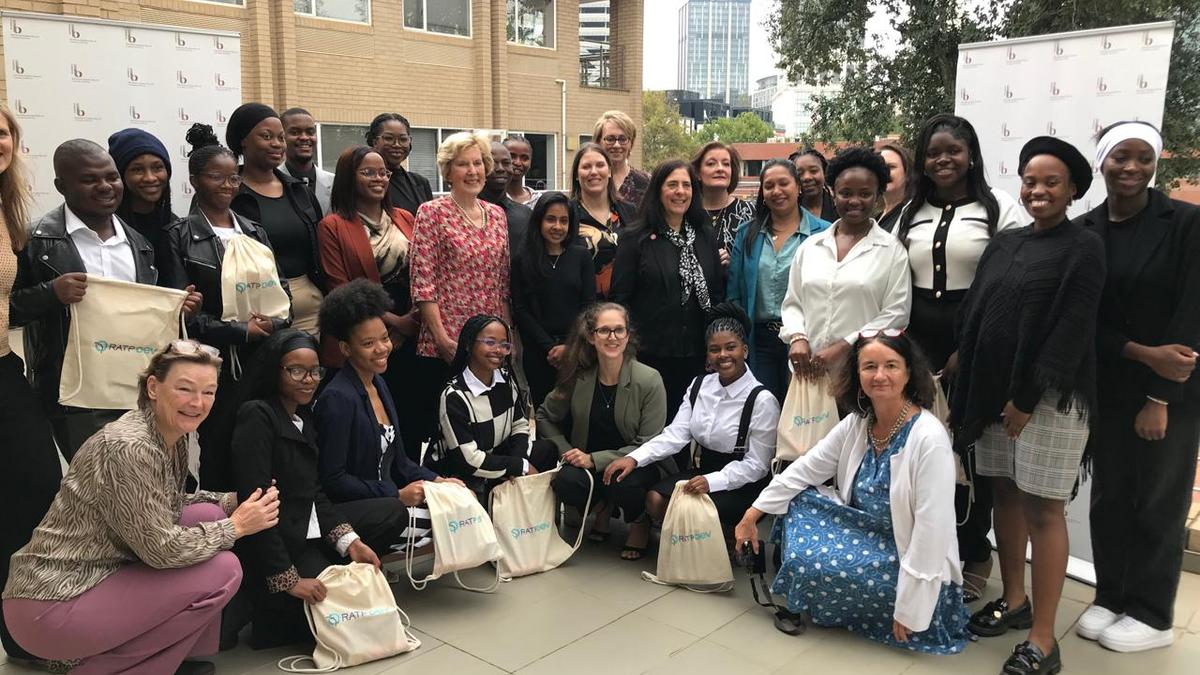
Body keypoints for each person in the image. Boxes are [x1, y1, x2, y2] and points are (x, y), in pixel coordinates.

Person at [1, 341, 280, 675]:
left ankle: (157, 659)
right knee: (225, 570)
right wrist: (237, 526)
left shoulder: (167, 432)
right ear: (153, 387)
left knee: (210, 515)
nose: (198, 403)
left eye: (208, 392)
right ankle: (106, 668)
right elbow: (160, 549)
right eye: (184, 389)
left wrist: (231, 502)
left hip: (92, 577)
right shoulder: (130, 447)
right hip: (51, 604)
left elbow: (164, 503)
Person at [951, 136, 1105, 675]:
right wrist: (964, 364)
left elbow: (1070, 332)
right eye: (1030, 181)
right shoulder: (1006, 242)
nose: (1038, 190)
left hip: (1049, 401)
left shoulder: (1084, 247)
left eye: (1051, 182)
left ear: (1073, 189)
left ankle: (1044, 638)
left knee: (1044, 509)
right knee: (1005, 495)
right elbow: (979, 313)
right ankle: (1014, 601)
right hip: (995, 397)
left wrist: (1024, 400)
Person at [733, 332, 970, 653]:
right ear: (857, 375)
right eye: (869, 366)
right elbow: (804, 469)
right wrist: (751, 515)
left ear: (909, 373)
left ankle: (885, 607)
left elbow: (932, 531)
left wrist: (911, 606)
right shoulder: (859, 424)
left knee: (814, 565)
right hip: (863, 533)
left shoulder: (929, 437)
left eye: (891, 366)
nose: (880, 375)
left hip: (907, 555)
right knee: (798, 500)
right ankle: (839, 594)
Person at [1077, 121, 1200, 653]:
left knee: (1157, 500)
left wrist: (1159, 396)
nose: (1131, 168)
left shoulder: (1186, 224)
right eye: (1120, 157)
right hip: (1109, 384)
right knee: (1110, 496)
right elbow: (1086, 319)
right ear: (1102, 162)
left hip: (1170, 393)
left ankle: (1152, 613)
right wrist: (1140, 352)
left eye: (1143, 158)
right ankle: (1111, 596)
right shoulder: (1085, 230)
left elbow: (1192, 313)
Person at [894, 114, 1023, 599]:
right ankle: (926, 550)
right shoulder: (909, 212)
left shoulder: (998, 208)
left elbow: (1011, 285)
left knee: (970, 454)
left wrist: (968, 349)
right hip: (917, 345)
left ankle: (974, 551)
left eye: (953, 150)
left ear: (971, 155)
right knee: (921, 450)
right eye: (933, 152)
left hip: (978, 342)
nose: (943, 159)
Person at [11, 139, 196, 460]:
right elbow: (7, 312)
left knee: (148, 477)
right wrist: (50, 294)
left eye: (111, 177)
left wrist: (180, 311)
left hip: (137, 388)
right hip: (76, 395)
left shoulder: (140, 244)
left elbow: (144, 319)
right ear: (61, 186)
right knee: (97, 481)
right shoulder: (34, 241)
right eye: (89, 179)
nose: (105, 186)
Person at [230, 329, 381, 649]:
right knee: (341, 623)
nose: (308, 380)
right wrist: (288, 579)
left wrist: (350, 542)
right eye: (296, 370)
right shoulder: (258, 415)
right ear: (275, 370)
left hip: (303, 537)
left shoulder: (303, 418)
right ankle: (271, 611)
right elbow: (256, 506)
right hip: (272, 550)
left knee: (362, 613)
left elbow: (314, 492)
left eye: (314, 371)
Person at [161, 123, 290, 492]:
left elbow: (282, 294)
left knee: (263, 444)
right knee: (219, 445)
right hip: (214, 363)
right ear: (194, 180)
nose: (227, 185)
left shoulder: (254, 231)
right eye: (216, 177)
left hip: (262, 356)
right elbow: (181, 313)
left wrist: (274, 324)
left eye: (233, 178)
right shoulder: (178, 236)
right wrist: (238, 331)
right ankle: (220, 517)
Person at [605, 303, 779, 548]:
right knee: (655, 500)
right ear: (707, 354)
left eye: (731, 347)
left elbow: (758, 466)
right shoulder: (699, 385)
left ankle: (725, 536)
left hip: (743, 482)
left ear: (745, 350)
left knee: (691, 510)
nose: (723, 355)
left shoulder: (762, 400)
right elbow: (676, 434)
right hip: (702, 470)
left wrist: (712, 481)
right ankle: (707, 542)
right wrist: (634, 458)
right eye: (714, 349)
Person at [314, 280, 459, 553]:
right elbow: (333, 480)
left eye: (384, 338)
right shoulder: (337, 399)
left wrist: (439, 482)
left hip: (389, 502)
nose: (382, 348)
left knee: (460, 504)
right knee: (447, 525)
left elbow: (401, 462)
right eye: (368, 343)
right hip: (357, 510)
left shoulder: (378, 383)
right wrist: (396, 495)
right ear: (346, 349)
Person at [0, 105, 63, 666]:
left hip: (4, 370)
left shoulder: (8, 211)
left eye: (2, 132)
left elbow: (12, 304)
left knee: (36, 491)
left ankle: (24, 636)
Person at [538, 302, 674, 560]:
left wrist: (594, 459)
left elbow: (650, 441)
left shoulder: (649, 379)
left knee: (626, 481)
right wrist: (568, 452)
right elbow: (544, 415)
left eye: (619, 330)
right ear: (591, 337)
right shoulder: (579, 375)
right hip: (587, 462)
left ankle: (640, 521)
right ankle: (602, 508)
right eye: (604, 330)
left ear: (628, 335)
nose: (612, 337)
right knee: (566, 480)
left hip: (637, 463)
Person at [317, 145, 422, 456]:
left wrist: (409, 324)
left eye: (383, 172)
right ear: (349, 177)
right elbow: (339, 285)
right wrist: (393, 323)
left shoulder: (405, 217)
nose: (379, 178)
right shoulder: (333, 226)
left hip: (411, 331)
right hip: (365, 331)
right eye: (368, 172)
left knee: (411, 416)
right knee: (370, 421)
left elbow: (425, 271)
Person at [409, 132, 511, 451]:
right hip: (448, 342)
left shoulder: (497, 215)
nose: (472, 171)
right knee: (446, 435)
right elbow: (423, 283)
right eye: (463, 164)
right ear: (448, 171)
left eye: (478, 163)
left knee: (489, 428)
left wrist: (507, 338)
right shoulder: (431, 212)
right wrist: (441, 339)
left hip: (489, 343)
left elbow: (502, 282)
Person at [782, 147, 911, 388]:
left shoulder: (892, 251)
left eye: (865, 193)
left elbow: (896, 314)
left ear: (878, 195)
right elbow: (793, 302)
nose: (854, 201)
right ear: (833, 192)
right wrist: (797, 337)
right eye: (845, 193)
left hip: (860, 377)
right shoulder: (811, 247)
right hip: (808, 374)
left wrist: (845, 345)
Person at [611, 160, 724, 423]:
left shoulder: (705, 235)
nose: (680, 191)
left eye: (686, 185)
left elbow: (716, 293)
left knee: (692, 426)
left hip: (697, 354)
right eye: (672, 184)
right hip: (650, 356)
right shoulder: (635, 238)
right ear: (658, 191)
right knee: (655, 428)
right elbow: (620, 300)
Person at [727, 159, 832, 401]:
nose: (777, 191)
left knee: (802, 411)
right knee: (763, 407)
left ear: (798, 187)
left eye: (784, 183)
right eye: (769, 186)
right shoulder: (747, 234)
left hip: (806, 339)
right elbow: (734, 294)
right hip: (759, 340)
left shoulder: (825, 232)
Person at [227, 103, 325, 335]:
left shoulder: (300, 192)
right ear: (243, 140)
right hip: (254, 313)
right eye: (266, 136)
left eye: (280, 137)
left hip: (308, 311)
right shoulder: (227, 193)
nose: (277, 144)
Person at [425, 314, 557, 487]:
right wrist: (519, 466)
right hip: (459, 470)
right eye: (490, 342)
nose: (498, 350)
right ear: (469, 344)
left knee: (547, 449)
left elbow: (519, 424)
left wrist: (518, 463)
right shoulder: (454, 396)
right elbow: (468, 460)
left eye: (504, 345)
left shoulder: (506, 379)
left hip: (496, 457)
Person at [512, 192, 596, 406]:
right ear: (539, 221)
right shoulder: (523, 260)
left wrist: (570, 346)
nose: (557, 226)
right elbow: (520, 309)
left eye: (564, 220)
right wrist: (550, 347)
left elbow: (589, 306)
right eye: (551, 219)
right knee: (544, 412)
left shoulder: (581, 256)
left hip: (577, 350)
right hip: (538, 352)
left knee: (578, 412)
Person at [570, 142, 637, 298]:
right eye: (586, 167)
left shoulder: (630, 211)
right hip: (583, 306)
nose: (594, 172)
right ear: (576, 175)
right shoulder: (567, 214)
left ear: (609, 171)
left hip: (625, 306)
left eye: (600, 165)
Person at [107, 128, 176, 256]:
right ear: (120, 175)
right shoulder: (106, 227)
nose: (150, 178)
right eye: (137, 170)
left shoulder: (177, 227)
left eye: (157, 168)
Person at [692, 141, 754, 255]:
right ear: (697, 173)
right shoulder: (687, 212)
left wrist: (734, 262)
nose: (720, 169)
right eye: (711, 164)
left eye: (726, 164)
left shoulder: (748, 212)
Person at [366, 113, 434, 217]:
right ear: (375, 142)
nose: (397, 145)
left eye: (403, 139)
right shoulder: (365, 180)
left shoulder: (420, 183)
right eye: (389, 138)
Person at [481, 140, 533, 260]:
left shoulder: (525, 215)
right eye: (492, 163)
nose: (500, 169)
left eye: (506, 163)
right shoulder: (463, 215)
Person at [278, 107, 335, 215]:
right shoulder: (270, 182)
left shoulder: (335, 183)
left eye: (310, 132)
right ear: (281, 137)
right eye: (295, 132)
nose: (304, 137)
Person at [594, 110, 650, 207]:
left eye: (623, 139)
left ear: (631, 143)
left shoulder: (646, 182)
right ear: (598, 142)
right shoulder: (590, 179)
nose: (616, 145)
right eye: (610, 139)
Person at [789, 147, 838, 221]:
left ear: (824, 172)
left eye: (813, 171)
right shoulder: (788, 209)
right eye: (799, 173)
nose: (807, 177)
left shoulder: (839, 207)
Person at [876, 144, 912, 233]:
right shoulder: (874, 218)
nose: (884, 172)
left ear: (907, 173)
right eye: (880, 167)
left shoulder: (914, 215)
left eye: (891, 167)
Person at [504, 134, 540, 206]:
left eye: (524, 158)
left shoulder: (538, 200)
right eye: (512, 156)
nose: (518, 163)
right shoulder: (490, 199)